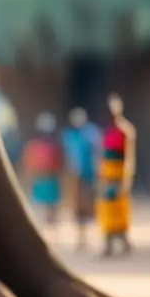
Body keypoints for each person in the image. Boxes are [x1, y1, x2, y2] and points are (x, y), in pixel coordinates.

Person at [97, 93, 136, 257]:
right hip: (107, 175)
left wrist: (126, 179)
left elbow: (129, 158)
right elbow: (103, 155)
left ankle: (124, 242)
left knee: (120, 210)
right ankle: (108, 245)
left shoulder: (126, 131)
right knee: (106, 210)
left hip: (119, 175)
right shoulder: (106, 132)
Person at [61, 107, 100, 250]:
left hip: (87, 176)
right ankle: (80, 238)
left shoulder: (91, 135)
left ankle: (86, 237)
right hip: (73, 177)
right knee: (76, 208)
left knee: (87, 207)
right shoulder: (69, 136)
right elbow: (67, 156)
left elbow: (97, 154)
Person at [21, 113, 64, 226]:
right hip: (39, 179)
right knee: (39, 210)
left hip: (50, 179)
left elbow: (59, 163)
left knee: (51, 211)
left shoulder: (54, 146)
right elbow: (29, 163)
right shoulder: (33, 146)